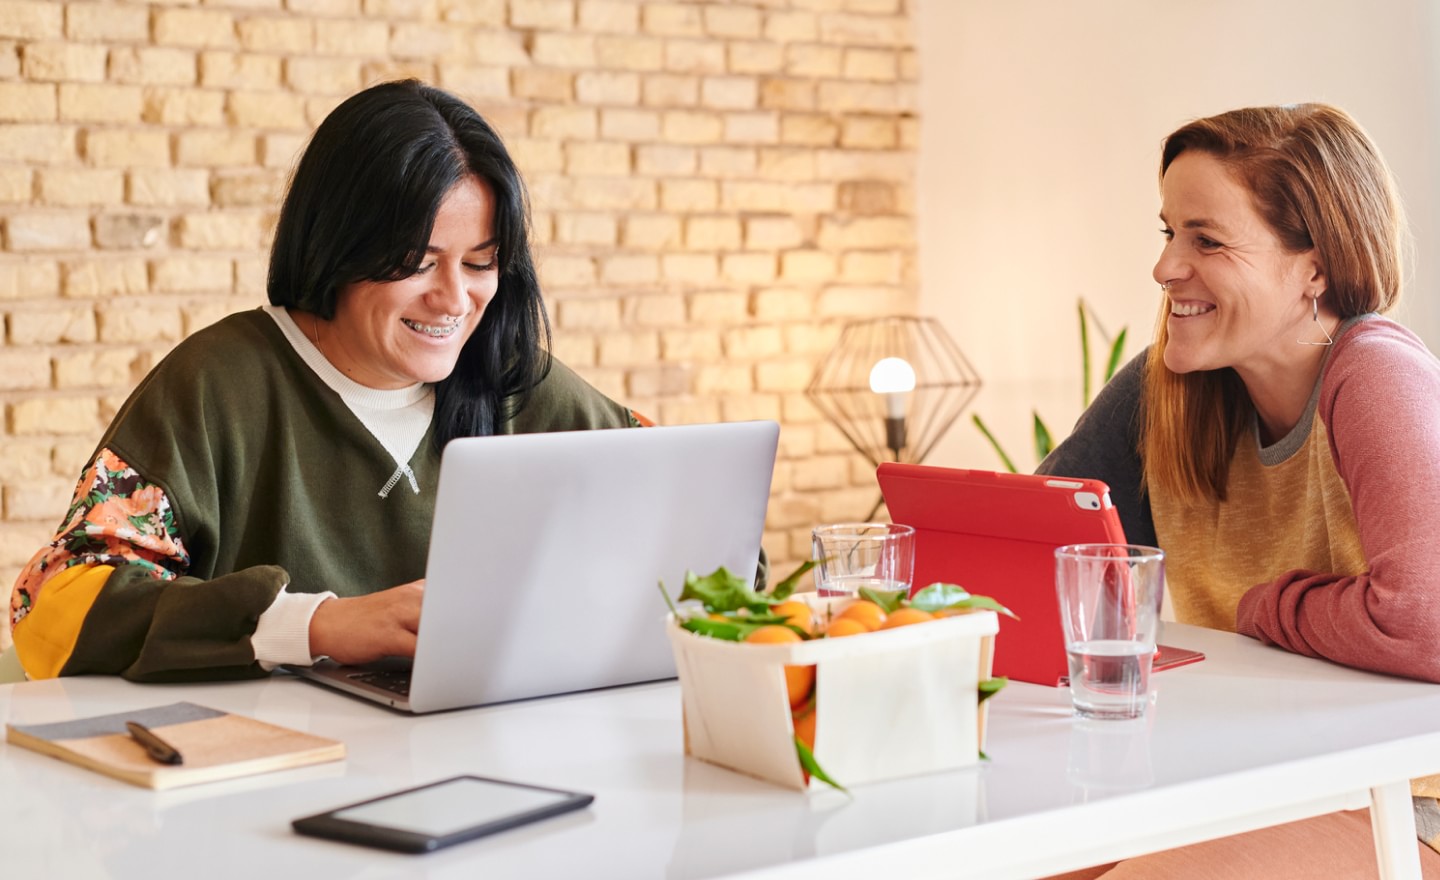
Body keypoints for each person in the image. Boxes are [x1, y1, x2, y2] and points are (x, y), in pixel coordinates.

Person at [6, 80, 646, 683]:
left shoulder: (514, 382)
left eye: (480, 263)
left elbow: (704, 540)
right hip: (273, 775)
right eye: (418, 264)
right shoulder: (219, 386)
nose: (455, 299)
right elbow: (54, 604)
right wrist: (315, 625)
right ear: (339, 246)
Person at [1040, 103, 1440, 877]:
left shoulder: (1377, 373)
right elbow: (1029, 550)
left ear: (1315, 266)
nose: (1164, 269)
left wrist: (1267, 607)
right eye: (1168, 234)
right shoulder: (1167, 391)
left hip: (1410, 804)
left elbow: (1427, 619)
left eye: (1207, 241)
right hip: (1249, 780)